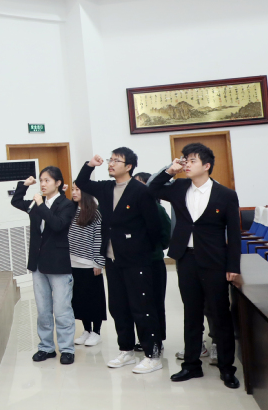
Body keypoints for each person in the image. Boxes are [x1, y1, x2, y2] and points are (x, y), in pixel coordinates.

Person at [148, 143, 241, 389]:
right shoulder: (179, 187)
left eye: (192, 160)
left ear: (206, 165)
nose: (187, 164)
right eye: (185, 160)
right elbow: (151, 189)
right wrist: (170, 170)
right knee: (191, 313)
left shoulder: (225, 194)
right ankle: (191, 365)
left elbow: (234, 234)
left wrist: (233, 266)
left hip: (214, 261)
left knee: (220, 315)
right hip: (186, 258)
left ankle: (227, 368)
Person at [75, 148, 163, 374]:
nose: (111, 164)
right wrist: (90, 165)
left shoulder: (140, 191)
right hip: (112, 260)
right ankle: (126, 350)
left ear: (129, 166)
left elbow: (154, 227)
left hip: (136, 260)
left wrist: (142, 250)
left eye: (117, 160)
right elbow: (82, 183)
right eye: (110, 160)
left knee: (141, 307)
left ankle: (153, 355)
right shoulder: (106, 188)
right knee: (118, 307)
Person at [12, 167, 77, 365]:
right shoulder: (35, 202)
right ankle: (46, 347)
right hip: (38, 263)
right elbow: (16, 201)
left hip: (58, 264)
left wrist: (41, 204)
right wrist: (24, 185)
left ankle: (67, 349)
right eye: (41, 180)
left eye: (47, 180)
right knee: (43, 310)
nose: (42, 184)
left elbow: (57, 225)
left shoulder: (67, 204)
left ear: (58, 183)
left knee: (62, 309)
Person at [133, 172, 172, 353]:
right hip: (135, 263)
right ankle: (145, 338)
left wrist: (155, 248)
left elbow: (166, 236)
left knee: (155, 302)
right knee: (140, 303)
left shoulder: (157, 209)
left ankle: (158, 339)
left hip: (154, 261)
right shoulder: (131, 208)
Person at [68, 183, 106, 348]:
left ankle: (96, 332)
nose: (74, 192)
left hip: (90, 263)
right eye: (73, 189)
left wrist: (98, 262)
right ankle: (86, 330)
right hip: (72, 262)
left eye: (78, 189)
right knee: (80, 298)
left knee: (94, 299)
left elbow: (99, 239)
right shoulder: (70, 211)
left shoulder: (95, 213)